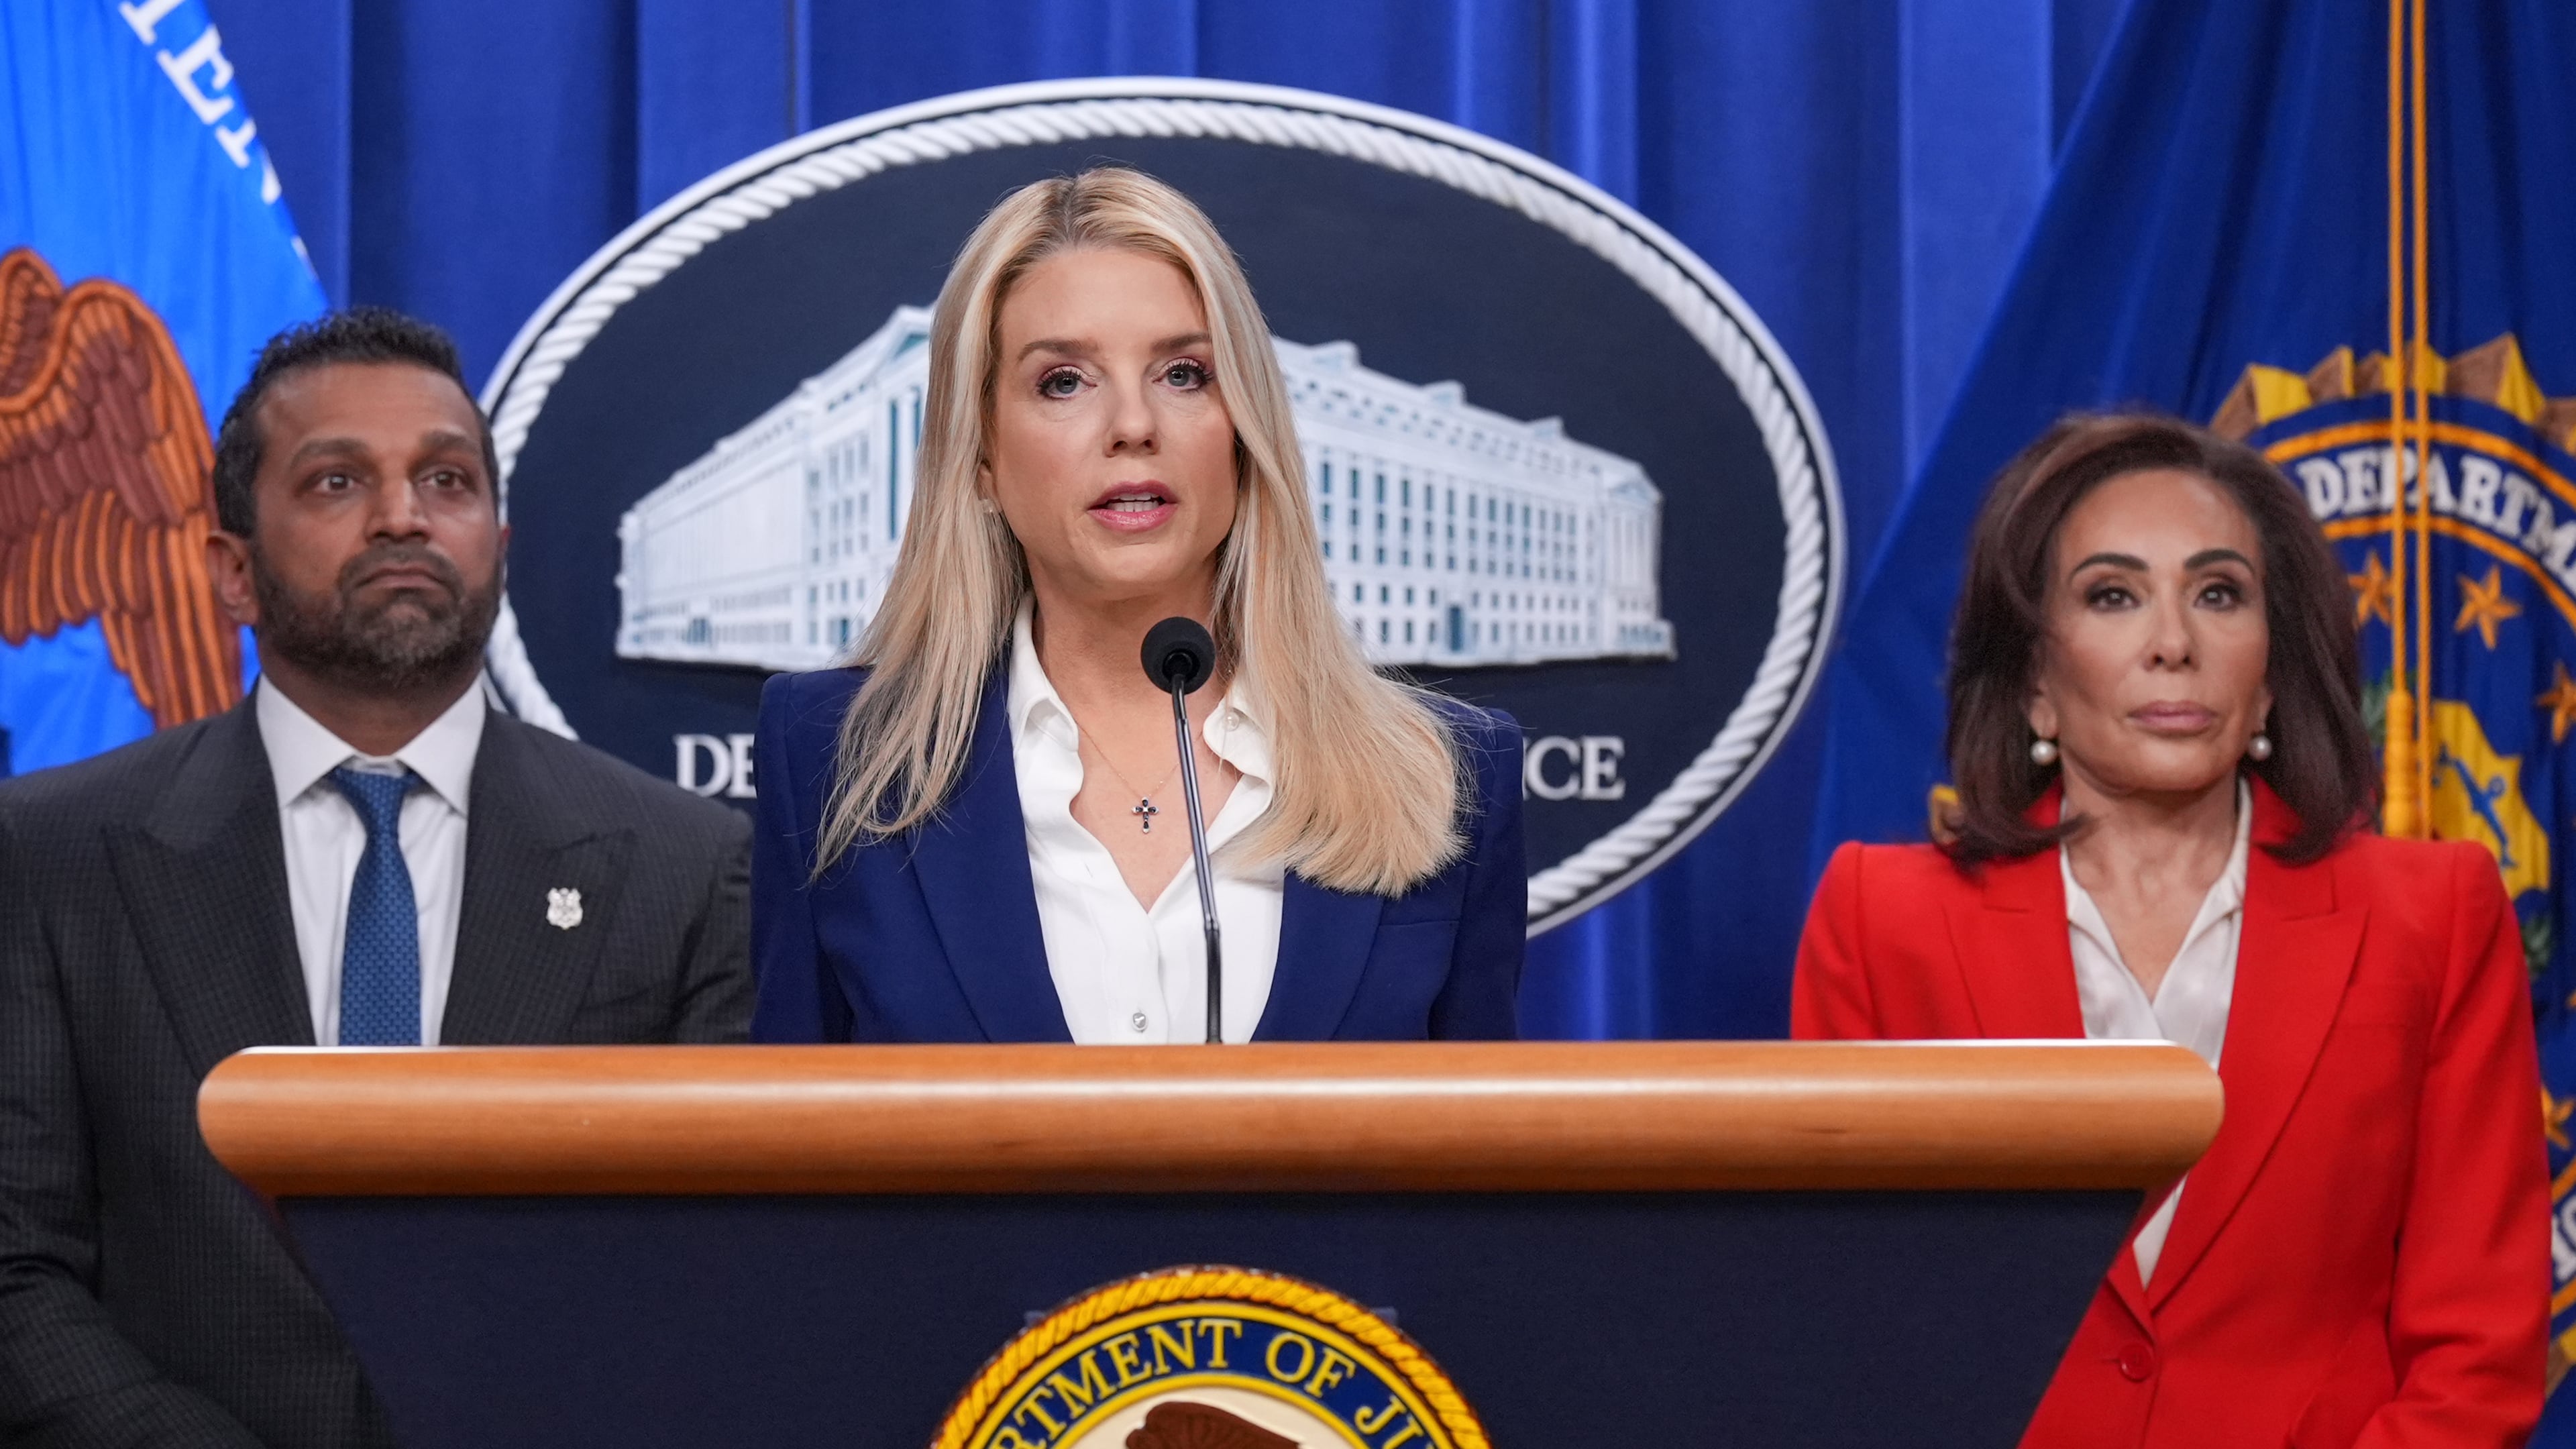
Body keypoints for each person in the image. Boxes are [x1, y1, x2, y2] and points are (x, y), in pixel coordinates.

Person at [0, 309, 753, 1447]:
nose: (404, 516)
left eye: (446, 480)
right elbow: (18, 1266)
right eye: (338, 482)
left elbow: (713, 1282)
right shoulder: (51, 852)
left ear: (499, 542)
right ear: (232, 572)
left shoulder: (685, 868)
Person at [1794, 413, 2545, 1446]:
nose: (2174, 644)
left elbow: (2479, 1353)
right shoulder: (1882, 920)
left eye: (2218, 594)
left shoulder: (2434, 914)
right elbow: (1845, 1326)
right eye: (2113, 595)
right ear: (2035, 681)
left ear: (2271, 672)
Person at [751, 167, 1523, 1044]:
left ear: (1245, 433)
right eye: (1063, 382)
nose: (1133, 424)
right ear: (981, 459)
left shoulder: (1446, 774)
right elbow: (794, 1118)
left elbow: (1476, 1128)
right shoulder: (833, 758)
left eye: (1184, 374)